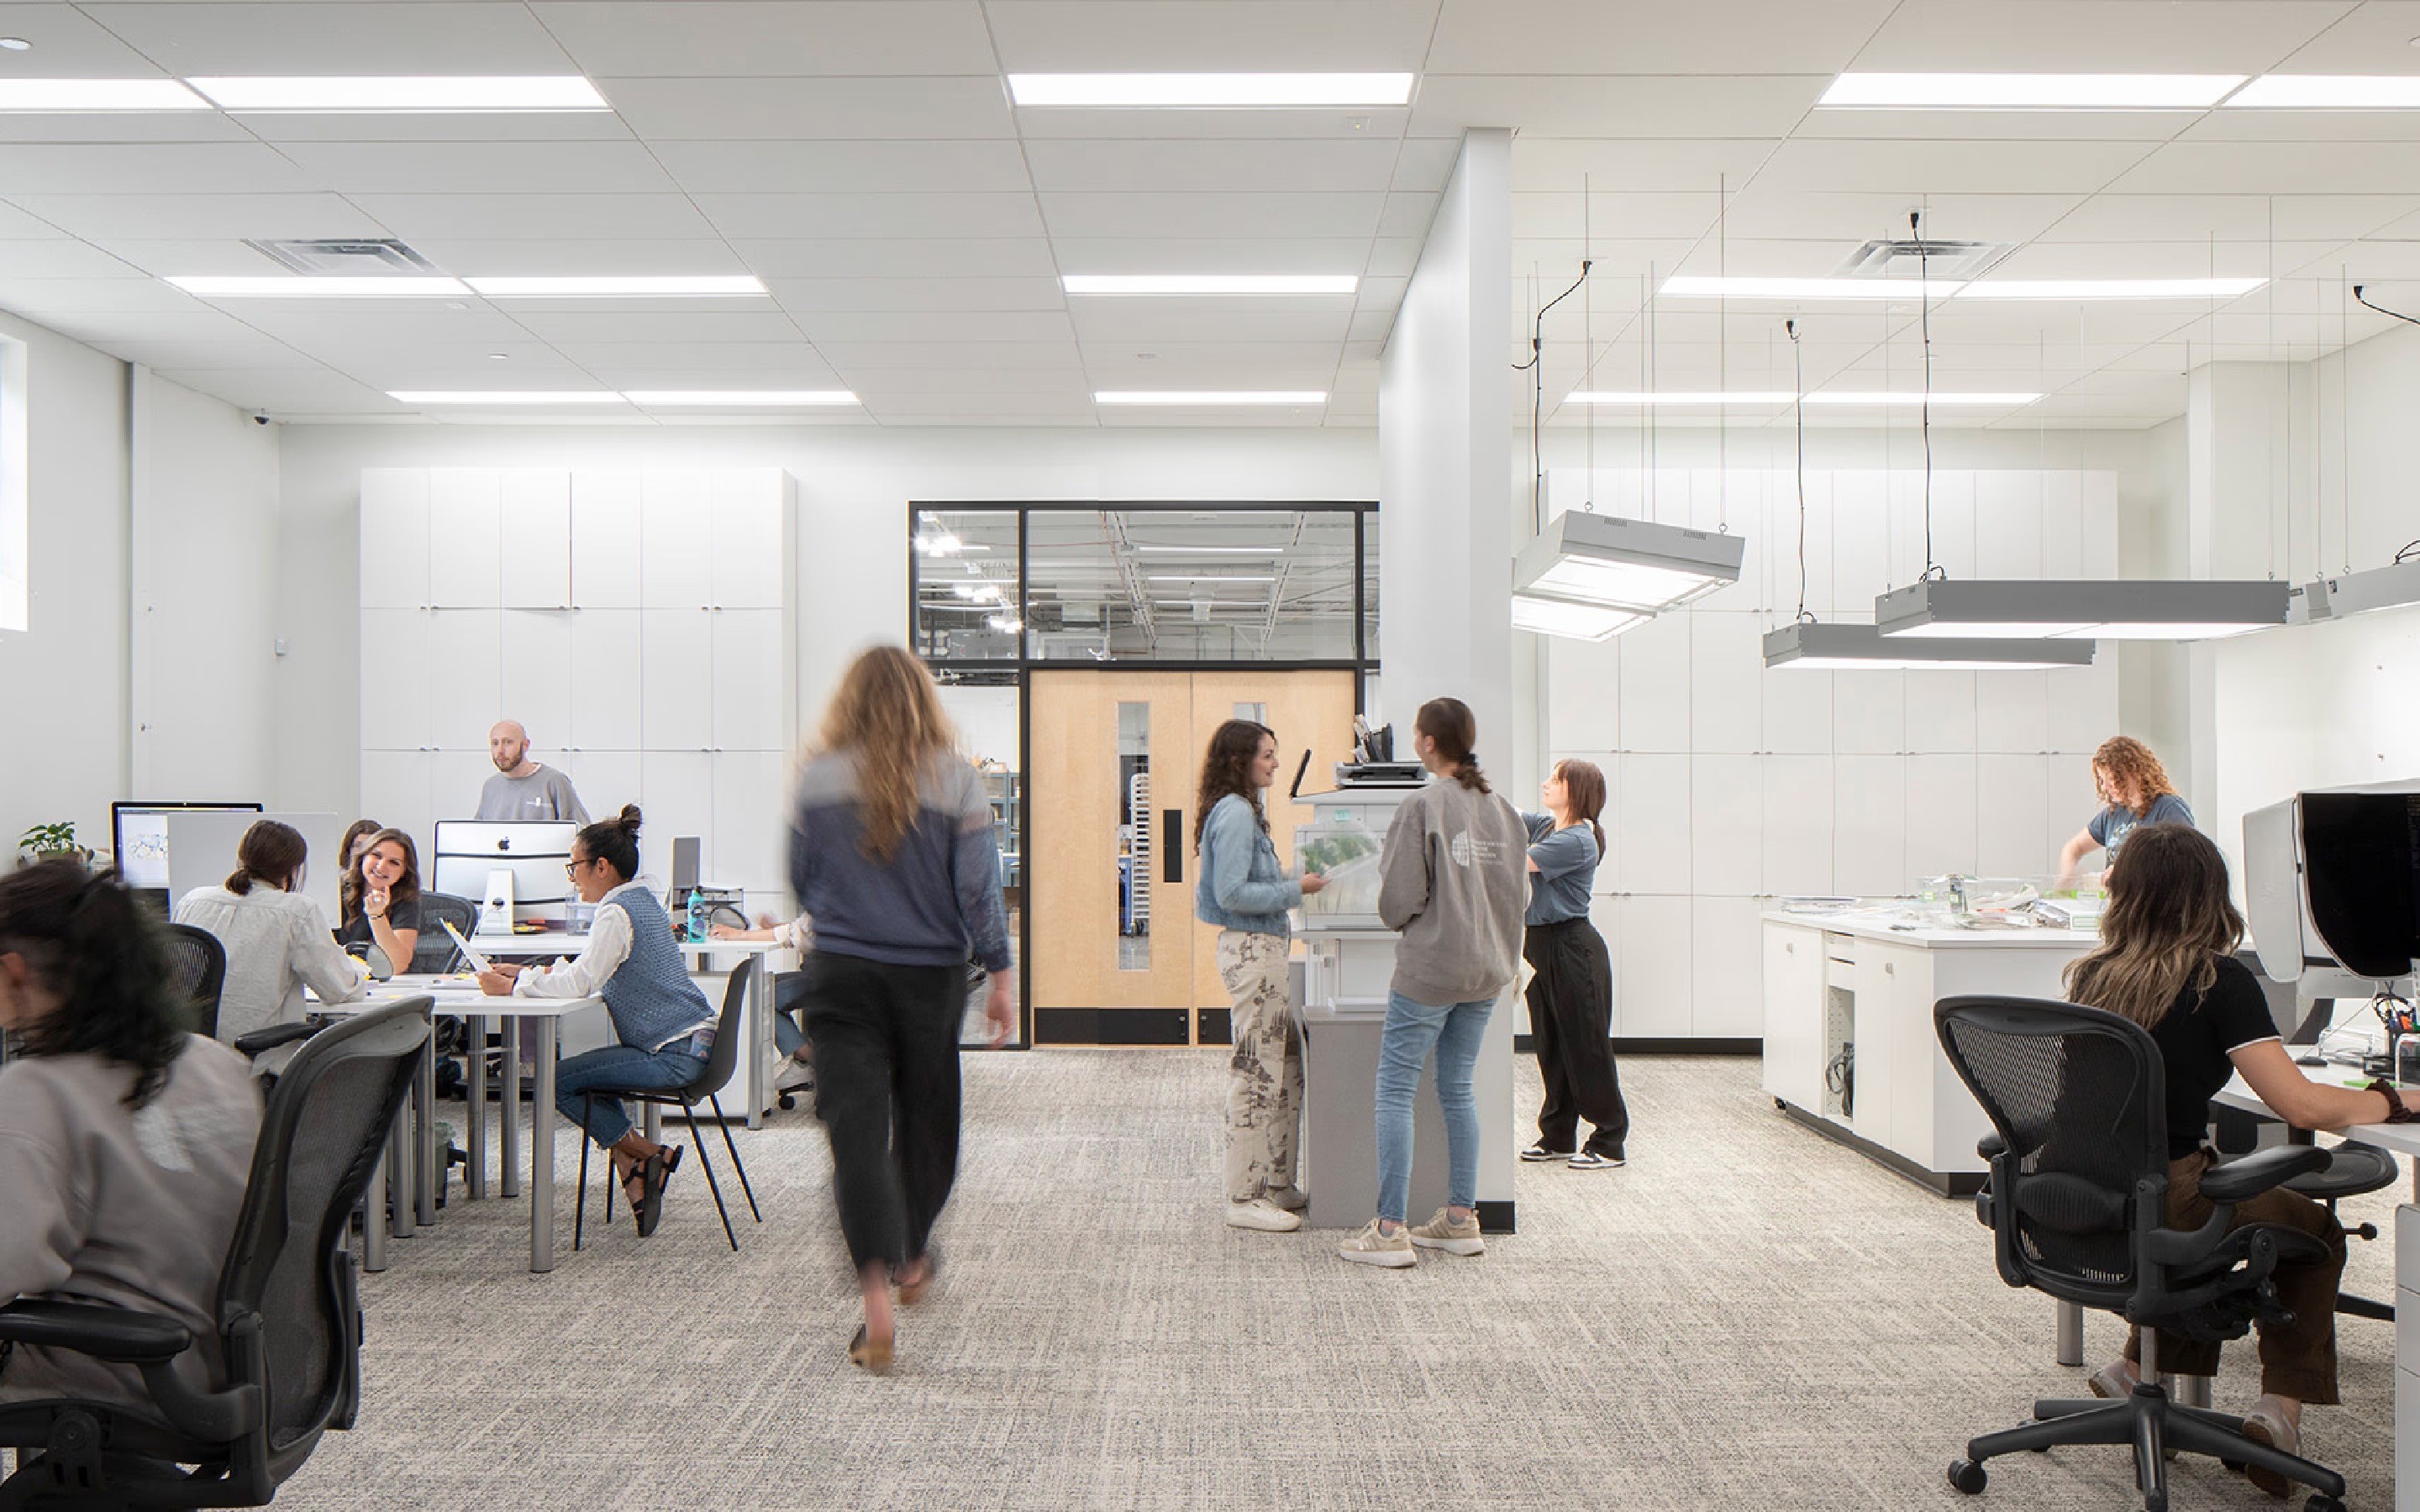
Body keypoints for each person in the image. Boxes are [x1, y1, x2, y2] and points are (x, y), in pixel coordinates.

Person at [2065, 822, 2418, 1495]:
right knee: (2313, 1231)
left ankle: (2139, 1366)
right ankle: (2278, 1411)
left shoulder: (2093, 975)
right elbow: (2304, 1109)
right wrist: (2395, 1099)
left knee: (2211, 1222)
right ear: (2210, 896)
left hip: (2089, 1194)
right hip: (2171, 1195)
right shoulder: (2216, 979)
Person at [789, 646, 1013, 1371]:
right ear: (923, 700)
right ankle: (912, 1254)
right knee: (927, 1125)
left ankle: (875, 1303)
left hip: (842, 975)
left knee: (856, 1134)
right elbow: (979, 893)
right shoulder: (957, 779)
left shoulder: (815, 780)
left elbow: (802, 882)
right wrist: (1002, 972)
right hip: (928, 978)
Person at [0, 863, 262, 1407]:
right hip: (238, 1363)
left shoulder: (37, 1090)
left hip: (117, 1369)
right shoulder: (218, 1063)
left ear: (14, 973)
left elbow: (10, 1262)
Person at [1339, 696, 1528, 1270]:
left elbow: (1398, 900)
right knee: (1458, 1090)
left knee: (1396, 1089)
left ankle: (1391, 1228)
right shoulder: (1507, 811)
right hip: (1487, 971)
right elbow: (1520, 897)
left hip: (1430, 970)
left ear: (1425, 743)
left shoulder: (1422, 805)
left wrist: (1407, 920)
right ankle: (1459, 1218)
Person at [476, 806, 709, 1238]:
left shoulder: (616, 913)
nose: (572, 876)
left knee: (556, 1080)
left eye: (574, 866)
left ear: (601, 867)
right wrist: (531, 975)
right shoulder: (640, 900)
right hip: (693, 1044)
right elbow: (590, 969)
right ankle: (638, 1166)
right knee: (581, 1076)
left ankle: (651, 1153)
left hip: (672, 1053)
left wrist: (514, 988)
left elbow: (583, 982)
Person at [1194, 718, 1329, 1234]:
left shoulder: (1244, 811)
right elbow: (1231, 895)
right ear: (1240, 760)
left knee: (1284, 1067)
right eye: (1268, 755)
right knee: (1256, 1071)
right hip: (1253, 950)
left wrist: (1300, 877)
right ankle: (1243, 1195)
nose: (1276, 763)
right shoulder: (1235, 814)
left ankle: (1275, 1181)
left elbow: (1256, 881)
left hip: (1265, 947)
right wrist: (1298, 892)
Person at [172, 820, 367, 1058]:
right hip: (254, 1060)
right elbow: (338, 989)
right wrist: (358, 973)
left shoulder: (193, 901)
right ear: (294, 869)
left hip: (188, 1060)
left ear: (241, 857)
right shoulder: (297, 911)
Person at [1518, 758, 1628, 1170]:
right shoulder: (1548, 827)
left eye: (1555, 779)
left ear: (1575, 790)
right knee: (1551, 1043)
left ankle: (1609, 1138)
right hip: (1541, 945)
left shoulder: (1578, 839)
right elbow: (1507, 815)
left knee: (1586, 1046)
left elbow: (1517, 861)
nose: (1546, 783)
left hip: (1572, 946)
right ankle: (1558, 1134)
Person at [2055, 735, 2192, 889]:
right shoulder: (2114, 813)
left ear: (2135, 772)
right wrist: (2068, 872)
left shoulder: (2169, 808)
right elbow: (2075, 847)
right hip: (2122, 904)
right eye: (2102, 780)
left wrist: (2125, 869)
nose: (2106, 787)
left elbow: (2183, 861)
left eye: (2112, 778)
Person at [710, 911, 818, 1095]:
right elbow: (807, 931)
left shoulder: (836, 889)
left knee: (761, 995)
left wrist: (740, 935)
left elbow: (800, 933)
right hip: (850, 977)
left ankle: (812, 1060)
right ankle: (806, 1060)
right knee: (765, 986)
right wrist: (777, 928)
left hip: (836, 981)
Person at [335, 826, 423, 976]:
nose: (381, 866)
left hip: (377, 985)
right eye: (376, 855)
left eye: (394, 862)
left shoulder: (407, 900)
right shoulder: (336, 890)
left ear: (404, 872)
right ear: (363, 857)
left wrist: (377, 916)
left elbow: (397, 965)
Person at [476, 719, 591, 824]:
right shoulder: (490, 786)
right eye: (495, 743)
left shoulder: (554, 782)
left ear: (525, 745)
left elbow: (583, 832)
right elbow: (478, 833)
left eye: (508, 742)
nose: (500, 751)